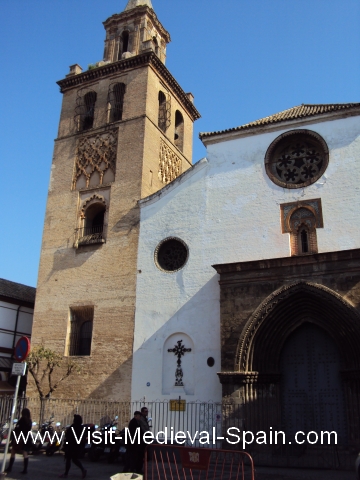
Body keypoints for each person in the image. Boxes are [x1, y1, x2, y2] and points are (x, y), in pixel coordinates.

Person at [5, 407, 32, 474]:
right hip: (27, 438)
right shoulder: (29, 421)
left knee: (13, 452)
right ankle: (25, 469)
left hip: (19, 437)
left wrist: (13, 437)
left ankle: (10, 467)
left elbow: (17, 429)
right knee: (25, 454)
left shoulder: (21, 420)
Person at [59, 414, 87, 479]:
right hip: (78, 446)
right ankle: (82, 469)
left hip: (71, 445)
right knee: (74, 459)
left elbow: (68, 436)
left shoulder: (73, 427)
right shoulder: (81, 427)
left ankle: (66, 474)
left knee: (69, 459)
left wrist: (65, 445)